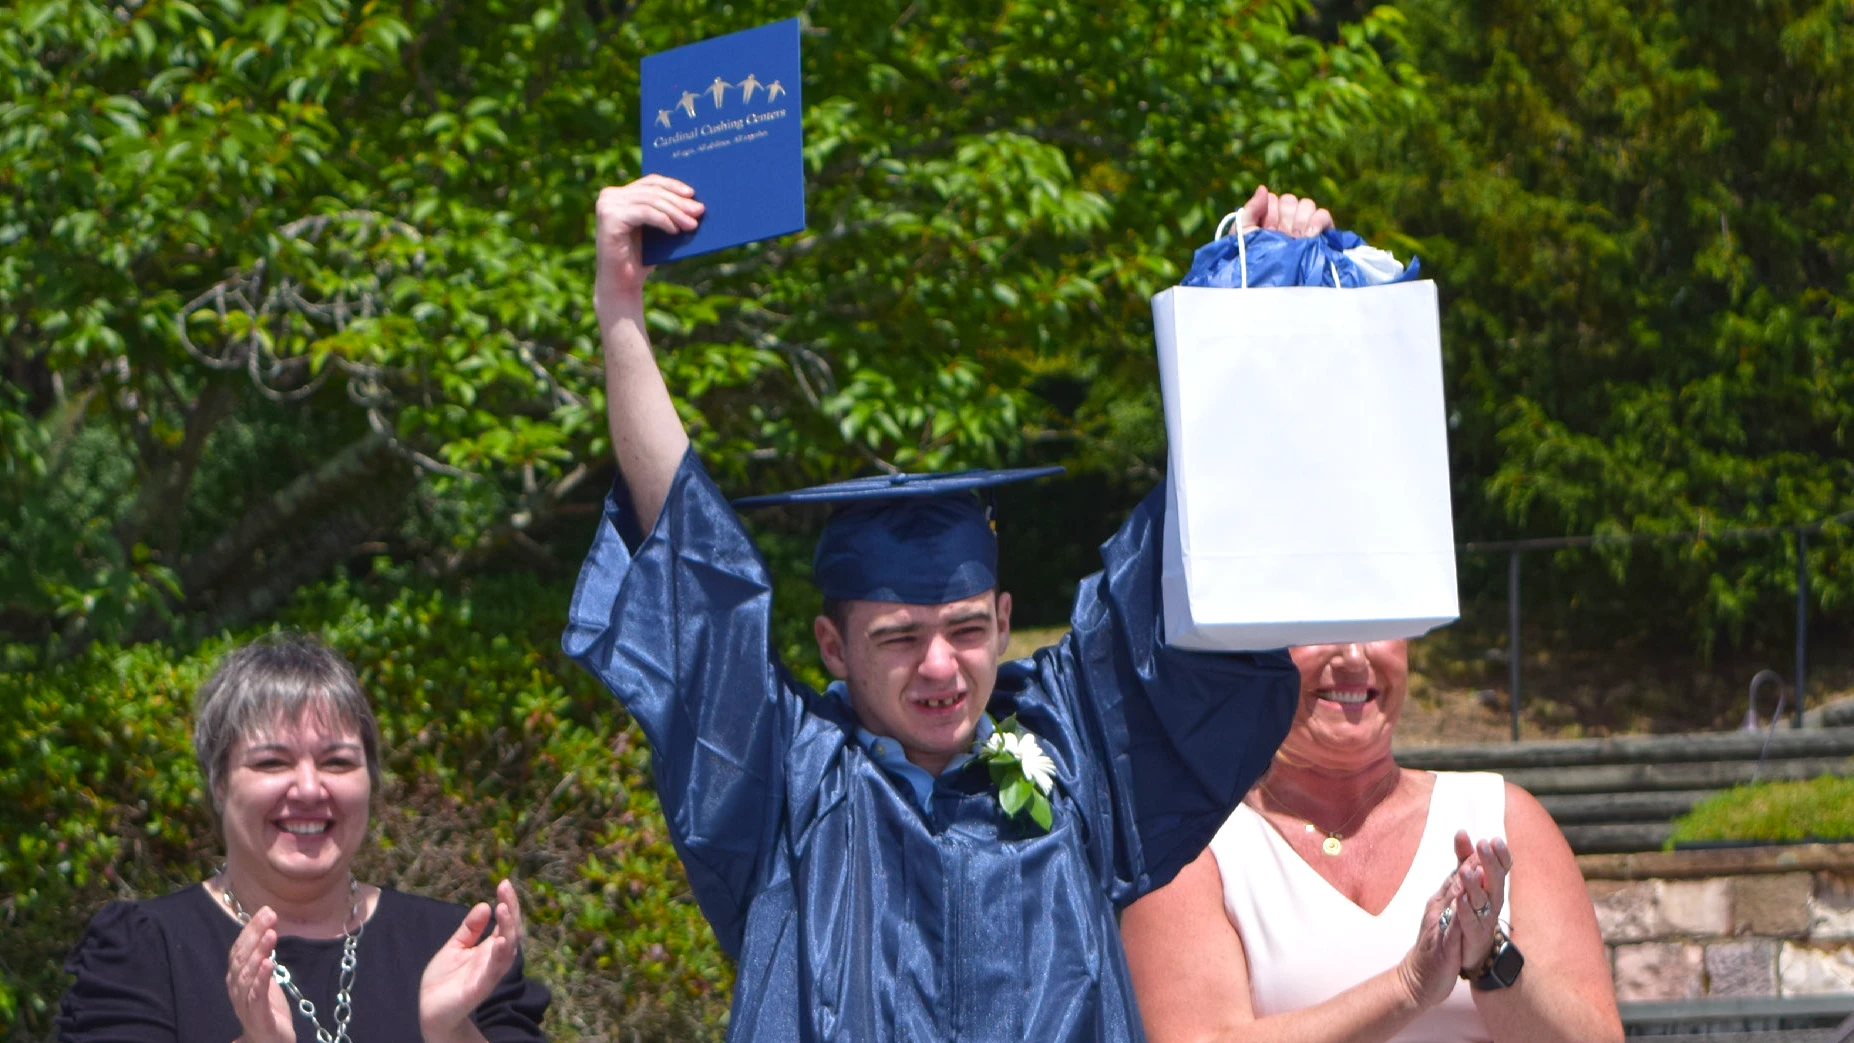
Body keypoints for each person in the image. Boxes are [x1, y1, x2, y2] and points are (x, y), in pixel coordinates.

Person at [560, 178, 1337, 1042]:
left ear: (1005, 621)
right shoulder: (783, 779)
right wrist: (620, 304)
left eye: (967, 629)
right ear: (833, 645)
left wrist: (1256, 302)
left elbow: (1187, 561)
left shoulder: (1073, 745)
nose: (941, 666)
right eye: (898, 637)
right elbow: (695, 575)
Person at [1120, 640, 1622, 1043]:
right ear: (1258, 649)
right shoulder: (1190, 850)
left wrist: (1490, 958)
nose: (1355, 658)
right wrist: (1408, 987)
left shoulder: (1505, 817)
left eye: (1378, 626)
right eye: (1320, 628)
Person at [58, 634, 550, 1043]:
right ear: (220, 783)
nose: (311, 789)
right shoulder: (142, 951)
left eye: (337, 761)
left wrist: (452, 1033)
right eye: (272, 762)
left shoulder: (458, 949)